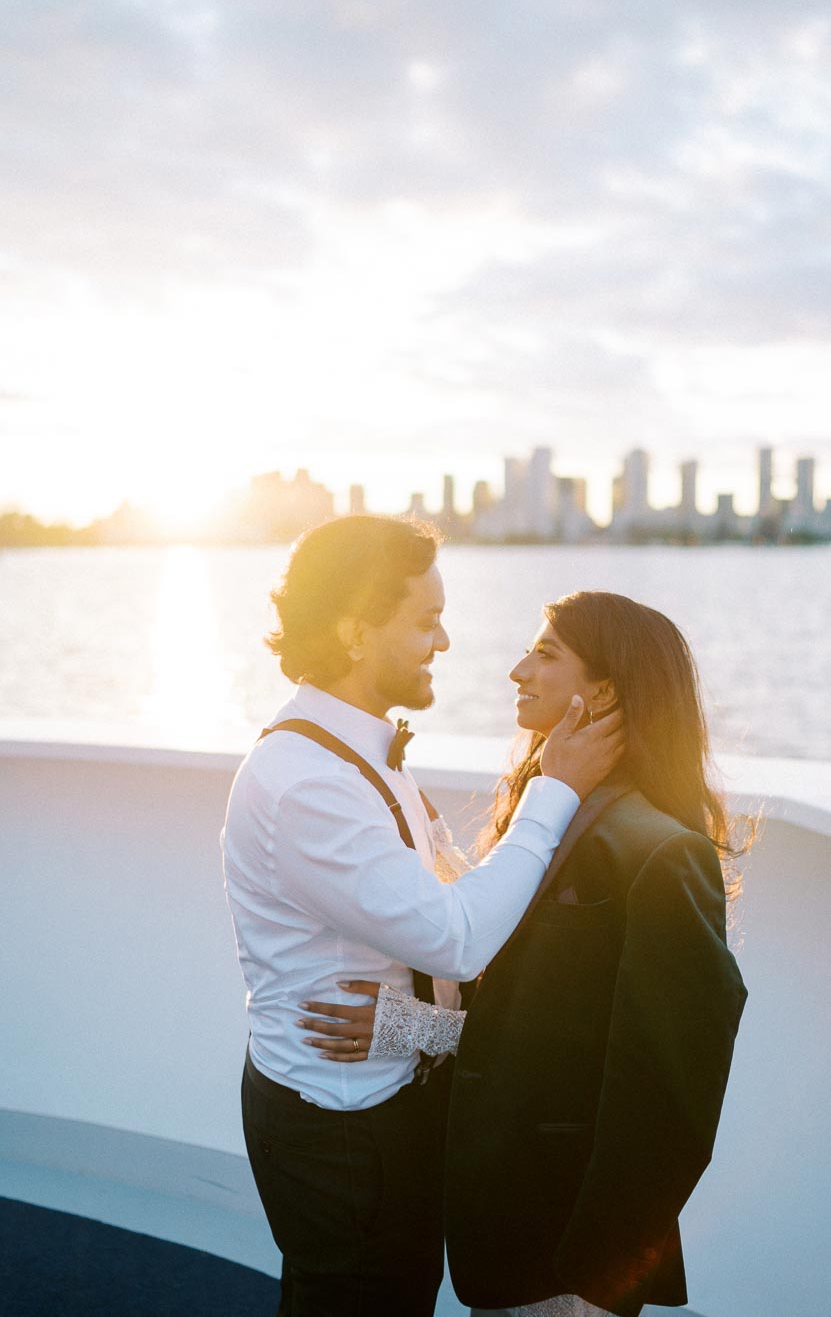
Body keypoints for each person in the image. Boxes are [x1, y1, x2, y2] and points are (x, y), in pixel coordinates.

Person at [220, 517, 623, 1317]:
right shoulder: (311, 782)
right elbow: (459, 938)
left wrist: (413, 1029)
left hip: (378, 1106)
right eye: (424, 620)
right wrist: (557, 788)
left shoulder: (359, 757)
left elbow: (443, 941)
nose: (444, 642)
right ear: (354, 631)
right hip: (342, 1135)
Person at [307, 589, 747, 1317]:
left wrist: (595, 1284)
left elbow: (670, 1099)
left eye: (545, 654)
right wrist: (407, 1027)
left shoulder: (662, 853)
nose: (517, 670)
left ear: (604, 690)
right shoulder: (547, 815)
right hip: (504, 1233)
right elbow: (535, 1037)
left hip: (566, 1258)